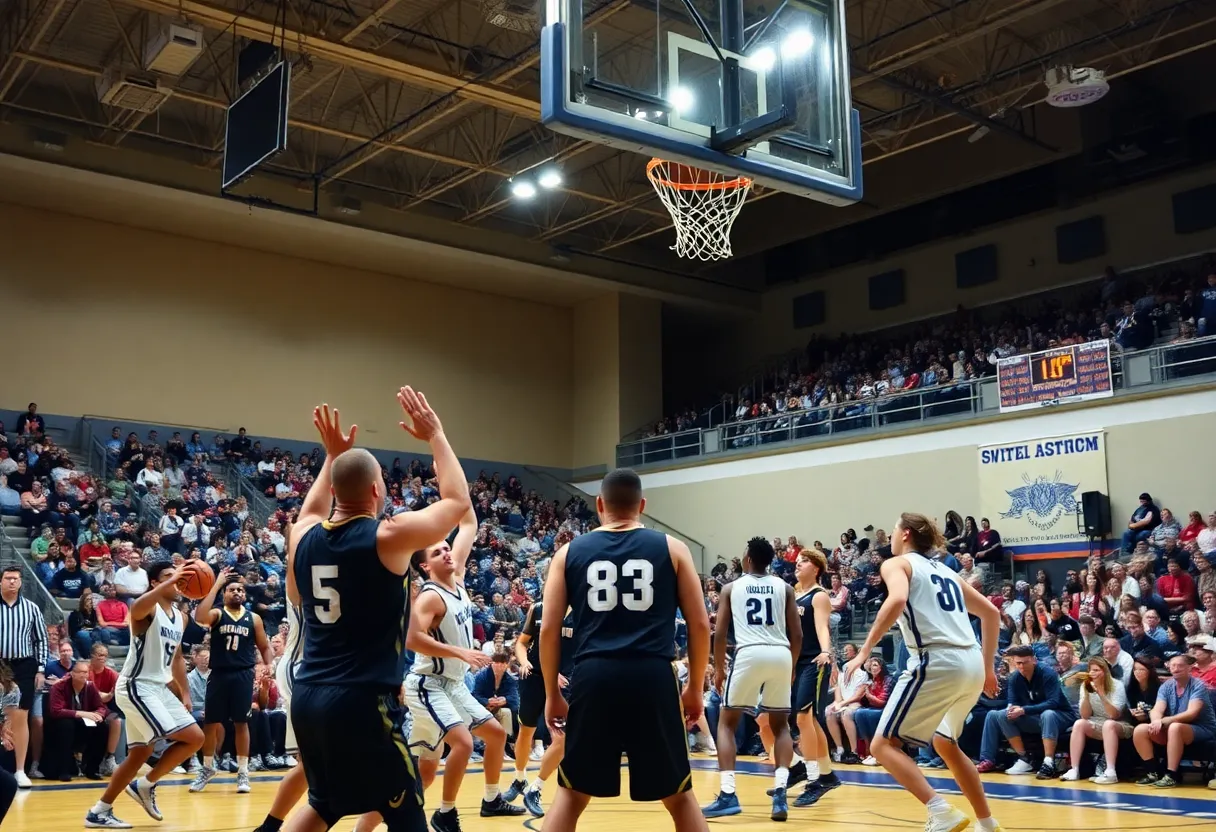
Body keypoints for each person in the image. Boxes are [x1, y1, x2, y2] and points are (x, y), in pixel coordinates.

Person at [282, 391, 473, 832]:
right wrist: (437, 435)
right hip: (362, 701)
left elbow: (310, 509)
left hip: (309, 695)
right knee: (406, 810)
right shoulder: (387, 536)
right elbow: (458, 503)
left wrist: (331, 457)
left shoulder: (303, 536)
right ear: (375, 489)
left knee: (324, 804)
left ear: (332, 490)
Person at [540, 468, 712, 832]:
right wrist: (695, 687)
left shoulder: (567, 553)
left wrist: (551, 693)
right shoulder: (673, 548)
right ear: (642, 506)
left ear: (599, 504)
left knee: (571, 794)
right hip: (652, 673)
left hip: (593, 673)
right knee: (679, 796)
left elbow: (550, 630)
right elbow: (699, 625)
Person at [843, 512, 1003, 832]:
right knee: (946, 744)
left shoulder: (896, 563)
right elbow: (991, 613)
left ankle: (939, 810)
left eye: (892, 530)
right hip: (970, 662)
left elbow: (898, 599)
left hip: (936, 659)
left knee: (881, 746)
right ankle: (987, 823)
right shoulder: (946, 570)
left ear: (905, 535)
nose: (889, 536)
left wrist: (863, 651)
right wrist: (987, 669)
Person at [399, 500, 525, 832]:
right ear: (426, 567)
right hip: (429, 684)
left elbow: (468, 523)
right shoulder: (430, 596)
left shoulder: (458, 580)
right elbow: (411, 637)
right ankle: (445, 814)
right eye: (437, 553)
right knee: (464, 743)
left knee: (495, 736)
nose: (446, 553)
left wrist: (455, 494)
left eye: (446, 548)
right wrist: (461, 653)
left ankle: (491, 799)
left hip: (453, 685)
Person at [85, 561, 205, 829]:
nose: (176, 581)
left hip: (159, 688)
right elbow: (137, 607)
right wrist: (171, 580)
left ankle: (99, 811)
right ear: (154, 583)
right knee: (180, 736)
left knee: (148, 752)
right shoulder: (145, 609)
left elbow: (175, 658)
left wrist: (184, 691)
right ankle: (146, 783)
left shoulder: (181, 617)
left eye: (177, 577)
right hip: (136, 686)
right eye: (168, 577)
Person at [703, 537, 800, 821]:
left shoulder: (732, 588)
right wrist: (791, 666)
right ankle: (781, 792)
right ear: (769, 561)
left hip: (749, 652)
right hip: (781, 653)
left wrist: (719, 669)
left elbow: (719, 634)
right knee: (781, 726)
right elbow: (798, 635)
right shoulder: (785, 587)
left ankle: (728, 794)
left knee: (726, 723)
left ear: (747, 560)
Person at [189, 569, 273, 794]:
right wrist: (216, 584)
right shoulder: (217, 614)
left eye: (241, 590)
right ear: (224, 594)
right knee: (211, 723)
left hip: (243, 675)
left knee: (241, 723)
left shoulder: (253, 618)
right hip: (218, 674)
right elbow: (199, 617)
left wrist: (268, 665)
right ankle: (207, 768)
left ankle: (243, 772)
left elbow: (264, 646)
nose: (237, 592)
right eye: (232, 589)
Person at [254, 524, 308, 832]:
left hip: (320, 672)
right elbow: (294, 556)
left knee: (313, 767)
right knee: (315, 766)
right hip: (305, 670)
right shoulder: (300, 577)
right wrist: (294, 534)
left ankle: (271, 825)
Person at [505, 598, 574, 818]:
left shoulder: (584, 610)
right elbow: (521, 642)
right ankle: (519, 779)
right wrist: (523, 661)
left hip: (564, 682)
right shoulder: (539, 608)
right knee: (526, 731)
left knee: (562, 738)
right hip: (534, 678)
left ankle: (535, 788)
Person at [787, 548, 840, 807]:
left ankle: (814, 778)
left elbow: (822, 626)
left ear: (816, 568)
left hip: (813, 660)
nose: (798, 564)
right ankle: (825, 774)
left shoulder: (818, 596)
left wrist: (825, 651)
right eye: (797, 561)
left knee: (804, 717)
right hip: (793, 663)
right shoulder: (793, 594)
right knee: (808, 721)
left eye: (804, 561)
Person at [1131, 653, 1216, 788]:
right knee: (1141, 729)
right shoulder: (1166, 686)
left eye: (1180, 666)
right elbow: (1157, 709)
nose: (1175, 669)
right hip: (1173, 726)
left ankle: (1171, 775)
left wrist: (1165, 721)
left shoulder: (1198, 685)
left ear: (1189, 668)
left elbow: (1191, 713)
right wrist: (1156, 721)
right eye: (1173, 666)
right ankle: (1153, 772)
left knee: (1175, 727)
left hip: (1202, 728)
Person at [0, 565, 48, 788]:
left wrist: (40, 669)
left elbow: (41, 640)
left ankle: (20, 770)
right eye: (8, 578)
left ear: (21, 583)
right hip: (0, 664)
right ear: (1, 582)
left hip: (24, 665)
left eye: (15, 579)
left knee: (20, 717)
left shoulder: (32, 608)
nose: (12, 582)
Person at [1060, 657, 1128, 782]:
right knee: (1079, 723)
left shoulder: (1117, 685)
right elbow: (1085, 715)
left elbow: (1114, 715)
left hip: (1119, 724)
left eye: (1097, 670)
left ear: (1105, 671)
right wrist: (1086, 694)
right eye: (1091, 670)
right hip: (1097, 722)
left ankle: (1111, 771)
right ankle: (1074, 769)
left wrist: (1101, 694)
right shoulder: (1086, 686)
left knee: (1108, 724)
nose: (1093, 673)